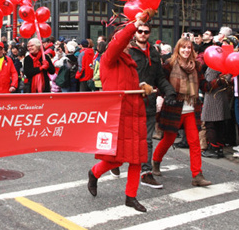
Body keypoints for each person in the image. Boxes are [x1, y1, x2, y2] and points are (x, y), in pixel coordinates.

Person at [87, 12, 153, 213]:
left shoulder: (129, 63)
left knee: (137, 157)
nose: (127, 43)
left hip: (134, 113)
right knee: (116, 158)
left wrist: (142, 86)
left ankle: (130, 197)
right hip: (117, 115)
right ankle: (94, 173)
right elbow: (118, 42)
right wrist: (135, 24)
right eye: (124, 39)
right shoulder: (108, 57)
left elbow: (128, 85)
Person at [151, 37, 212, 187]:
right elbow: (161, 85)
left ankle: (197, 175)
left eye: (189, 48)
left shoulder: (197, 66)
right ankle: (156, 161)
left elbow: (204, 86)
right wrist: (160, 97)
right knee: (168, 140)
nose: (186, 50)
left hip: (191, 109)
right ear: (178, 49)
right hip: (173, 108)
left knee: (194, 142)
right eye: (183, 47)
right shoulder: (169, 65)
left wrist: (222, 81)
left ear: (192, 50)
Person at [127, 23, 176, 189]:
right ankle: (111, 164)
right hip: (129, 102)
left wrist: (170, 92)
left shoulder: (154, 52)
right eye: (139, 31)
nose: (142, 34)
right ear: (135, 32)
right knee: (126, 138)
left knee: (147, 140)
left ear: (149, 33)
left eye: (146, 31)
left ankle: (145, 172)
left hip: (148, 103)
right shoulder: (127, 50)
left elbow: (160, 77)